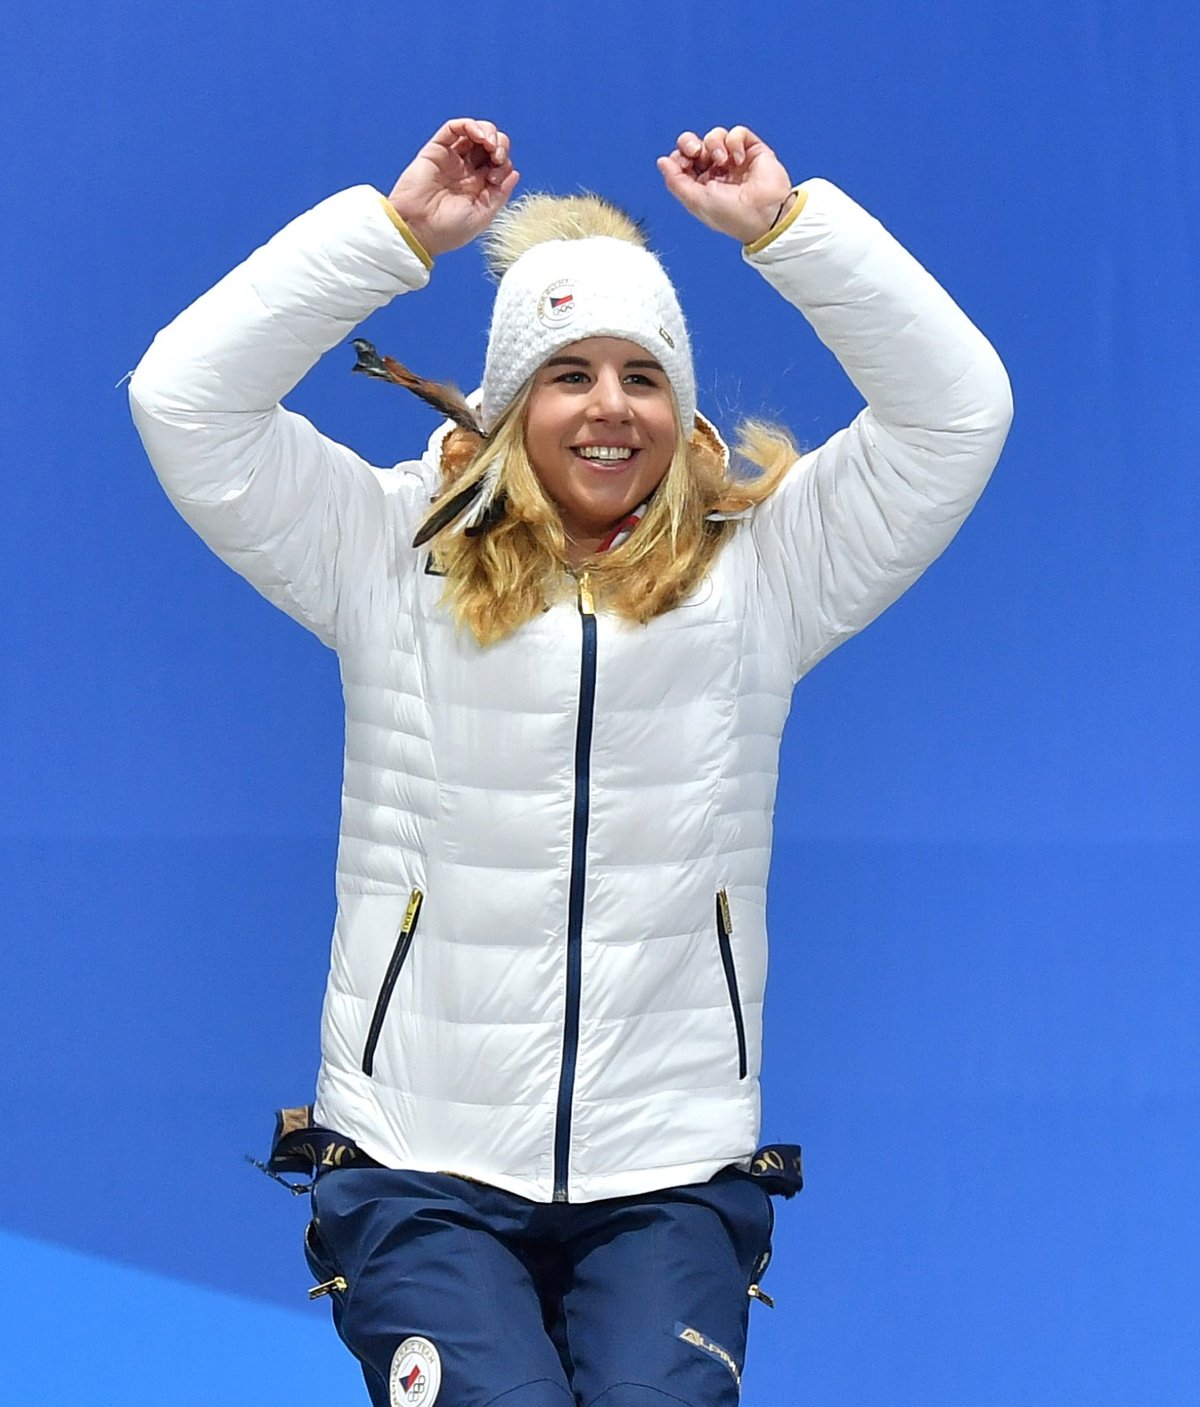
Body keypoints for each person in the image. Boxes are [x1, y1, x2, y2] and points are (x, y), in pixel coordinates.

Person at [129, 118, 1011, 1407]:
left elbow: (956, 412)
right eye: (568, 373)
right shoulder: (385, 550)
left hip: (669, 1171)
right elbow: (183, 399)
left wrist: (788, 229)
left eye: (644, 376)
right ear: (505, 405)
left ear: (684, 406)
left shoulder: (767, 574)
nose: (609, 408)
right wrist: (390, 239)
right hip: (419, 1157)